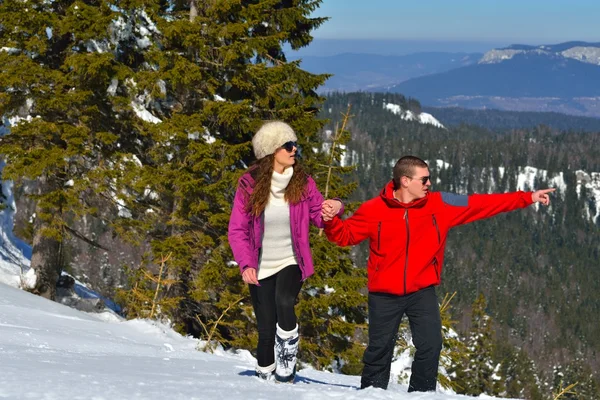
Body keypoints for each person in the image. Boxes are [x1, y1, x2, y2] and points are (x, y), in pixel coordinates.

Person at [323, 155, 554, 392]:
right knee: (379, 350)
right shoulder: (374, 209)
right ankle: (372, 395)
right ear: (405, 180)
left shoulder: (440, 203)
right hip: (383, 293)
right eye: (424, 179)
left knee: (431, 345)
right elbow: (345, 236)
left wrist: (527, 198)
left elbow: (481, 203)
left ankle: (422, 396)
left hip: (421, 291)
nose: (429, 184)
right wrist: (331, 222)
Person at [228, 121, 343, 383]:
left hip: (292, 259)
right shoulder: (249, 184)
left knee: (284, 302)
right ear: (271, 151)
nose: (294, 150)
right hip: (260, 264)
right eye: (288, 145)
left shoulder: (302, 181)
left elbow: (317, 214)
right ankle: (265, 379)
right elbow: (237, 230)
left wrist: (335, 206)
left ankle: (288, 356)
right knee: (266, 329)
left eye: (295, 145)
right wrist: (246, 264)